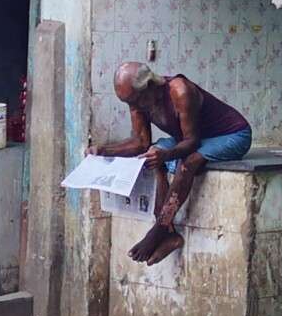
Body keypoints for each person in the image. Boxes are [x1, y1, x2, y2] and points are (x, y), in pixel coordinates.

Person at [97, 62, 252, 265]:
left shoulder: (180, 91)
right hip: (193, 139)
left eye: (135, 101)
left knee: (189, 162)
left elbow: (192, 141)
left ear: (151, 86)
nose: (133, 108)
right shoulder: (138, 102)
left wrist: (167, 154)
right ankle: (169, 234)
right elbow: (140, 143)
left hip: (232, 135)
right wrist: (103, 151)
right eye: (128, 103)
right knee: (152, 154)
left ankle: (160, 227)